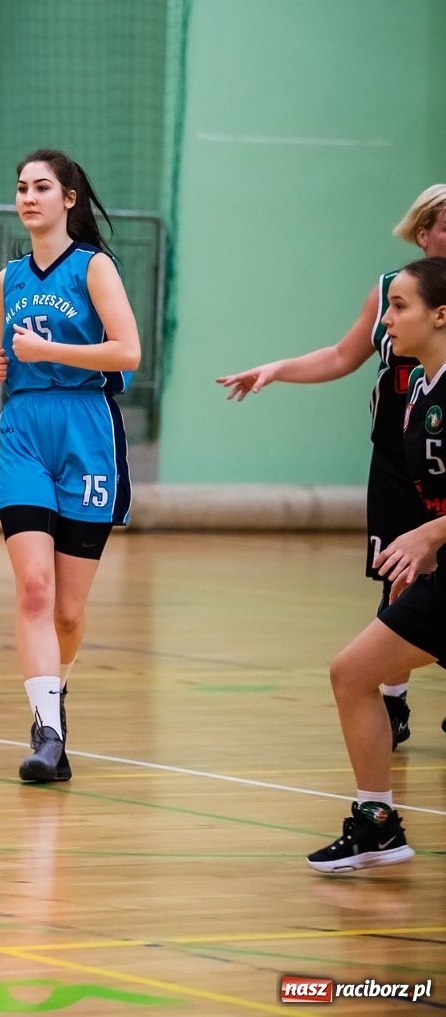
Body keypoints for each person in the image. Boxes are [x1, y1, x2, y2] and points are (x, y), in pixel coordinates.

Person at [219, 184, 446, 747]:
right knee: (401, 581)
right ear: (425, 234)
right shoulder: (394, 293)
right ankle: (390, 702)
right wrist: (277, 368)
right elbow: (343, 355)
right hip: (403, 458)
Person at [0, 149, 141, 785]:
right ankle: (45, 730)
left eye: (41, 187)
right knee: (35, 590)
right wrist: (0, 366)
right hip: (23, 430)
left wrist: (48, 349)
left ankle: (57, 699)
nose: (28, 197)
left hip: (86, 432)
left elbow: (128, 350)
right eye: (21, 187)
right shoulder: (8, 278)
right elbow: (7, 354)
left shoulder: (94, 268)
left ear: (68, 198)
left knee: (69, 612)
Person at [305, 257, 446, 872]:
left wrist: (431, 534)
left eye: (400, 307)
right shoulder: (418, 391)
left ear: (441, 316)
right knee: (352, 674)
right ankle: (377, 822)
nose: (386, 320)